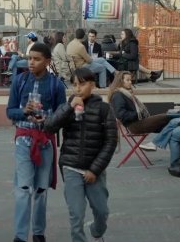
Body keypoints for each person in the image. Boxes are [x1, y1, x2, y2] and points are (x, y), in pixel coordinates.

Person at [44, 67, 117, 242]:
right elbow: (49, 127)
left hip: (94, 169)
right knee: (76, 215)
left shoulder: (104, 109)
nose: (78, 88)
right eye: (74, 84)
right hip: (70, 166)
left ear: (92, 85)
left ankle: (97, 232)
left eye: (82, 84)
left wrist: (94, 170)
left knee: (101, 211)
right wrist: (69, 108)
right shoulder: (68, 106)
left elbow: (110, 142)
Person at [7, 43, 67, 242]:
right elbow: (10, 111)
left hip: (45, 142)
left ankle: (39, 233)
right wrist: (23, 111)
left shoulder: (56, 85)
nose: (31, 62)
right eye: (29, 58)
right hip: (23, 140)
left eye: (36, 59)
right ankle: (20, 235)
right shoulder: (19, 81)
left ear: (47, 61)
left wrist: (47, 121)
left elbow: (62, 116)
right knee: (23, 189)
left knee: (41, 189)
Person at [107, 70, 172, 152]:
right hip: (134, 125)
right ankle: (154, 143)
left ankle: (154, 144)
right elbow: (121, 115)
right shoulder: (118, 95)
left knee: (172, 125)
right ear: (120, 81)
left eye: (131, 80)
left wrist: (139, 113)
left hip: (139, 122)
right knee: (168, 116)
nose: (130, 82)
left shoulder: (126, 93)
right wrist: (138, 113)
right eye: (127, 80)